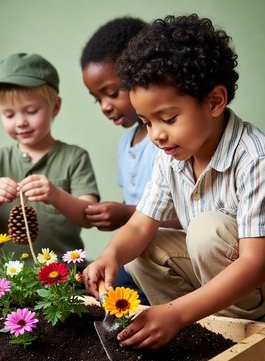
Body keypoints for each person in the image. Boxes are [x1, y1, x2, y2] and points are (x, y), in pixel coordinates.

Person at [83, 14, 265, 350]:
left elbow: (256, 264)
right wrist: (110, 255)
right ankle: (194, 331)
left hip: (257, 292)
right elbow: (140, 227)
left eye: (167, 118)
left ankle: (233, 337)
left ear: (214, 101)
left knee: (205, 229)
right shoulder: (170, 155)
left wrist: (177, 313)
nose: (156, 134)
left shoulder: (255, 159)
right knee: (140, 250)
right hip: (205, 286)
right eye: (146, 122)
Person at [80, 17, 179, 299]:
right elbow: (135, 220)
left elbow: (188, 218)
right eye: (96, 98)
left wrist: (126, 214)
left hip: (168, 253)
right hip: (139, 248)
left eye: (111, 93)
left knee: (119, 287)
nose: (105, 106)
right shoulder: (127, 143)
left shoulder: (170, 144)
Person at [0, 53, 100, 261]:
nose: (20, 122)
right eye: (9, 115)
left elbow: (89, 217)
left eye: (31, 111)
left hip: (63, 274)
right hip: (8, 276)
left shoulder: (74, 157)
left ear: (55, 107)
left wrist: (57, 196)